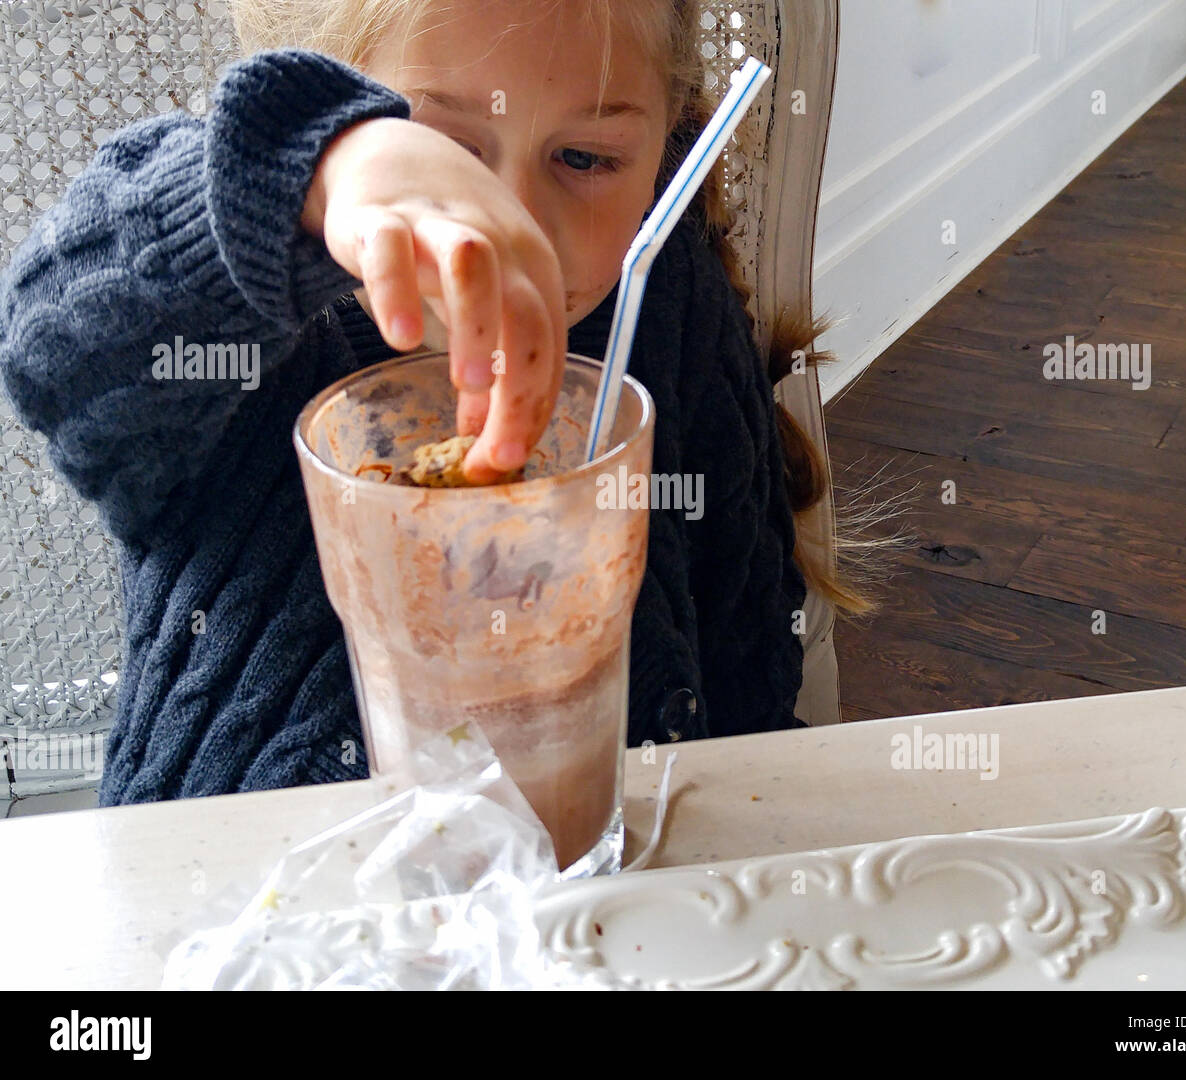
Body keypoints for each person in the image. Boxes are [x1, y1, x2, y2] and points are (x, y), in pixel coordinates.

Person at [0, 0, 878, 806]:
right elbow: (49, 354)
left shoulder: (667, 296)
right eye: (445, 150)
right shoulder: (251, 327)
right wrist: (307, 175)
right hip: (243, 905)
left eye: (586, 159)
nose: (518, 225)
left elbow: (744, 651)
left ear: (663, 150)